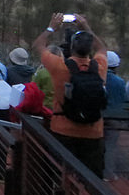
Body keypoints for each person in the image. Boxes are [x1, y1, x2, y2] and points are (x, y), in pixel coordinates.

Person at [32, 13, 107, 177]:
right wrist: (85, 26)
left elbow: (38, 45)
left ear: (71, 47)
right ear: (89, 49)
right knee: (94, 183)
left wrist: (51, 27)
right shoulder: (100, 67)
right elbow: (102, 49)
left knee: (60, 177)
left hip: (63, 131)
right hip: (93, 132)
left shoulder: (59, 67)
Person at [104, 51, 127, 180]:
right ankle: (109, 173)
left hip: (98, 118)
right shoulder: (121, 82)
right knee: (110, 147)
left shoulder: (98, 78)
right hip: (115, 119)